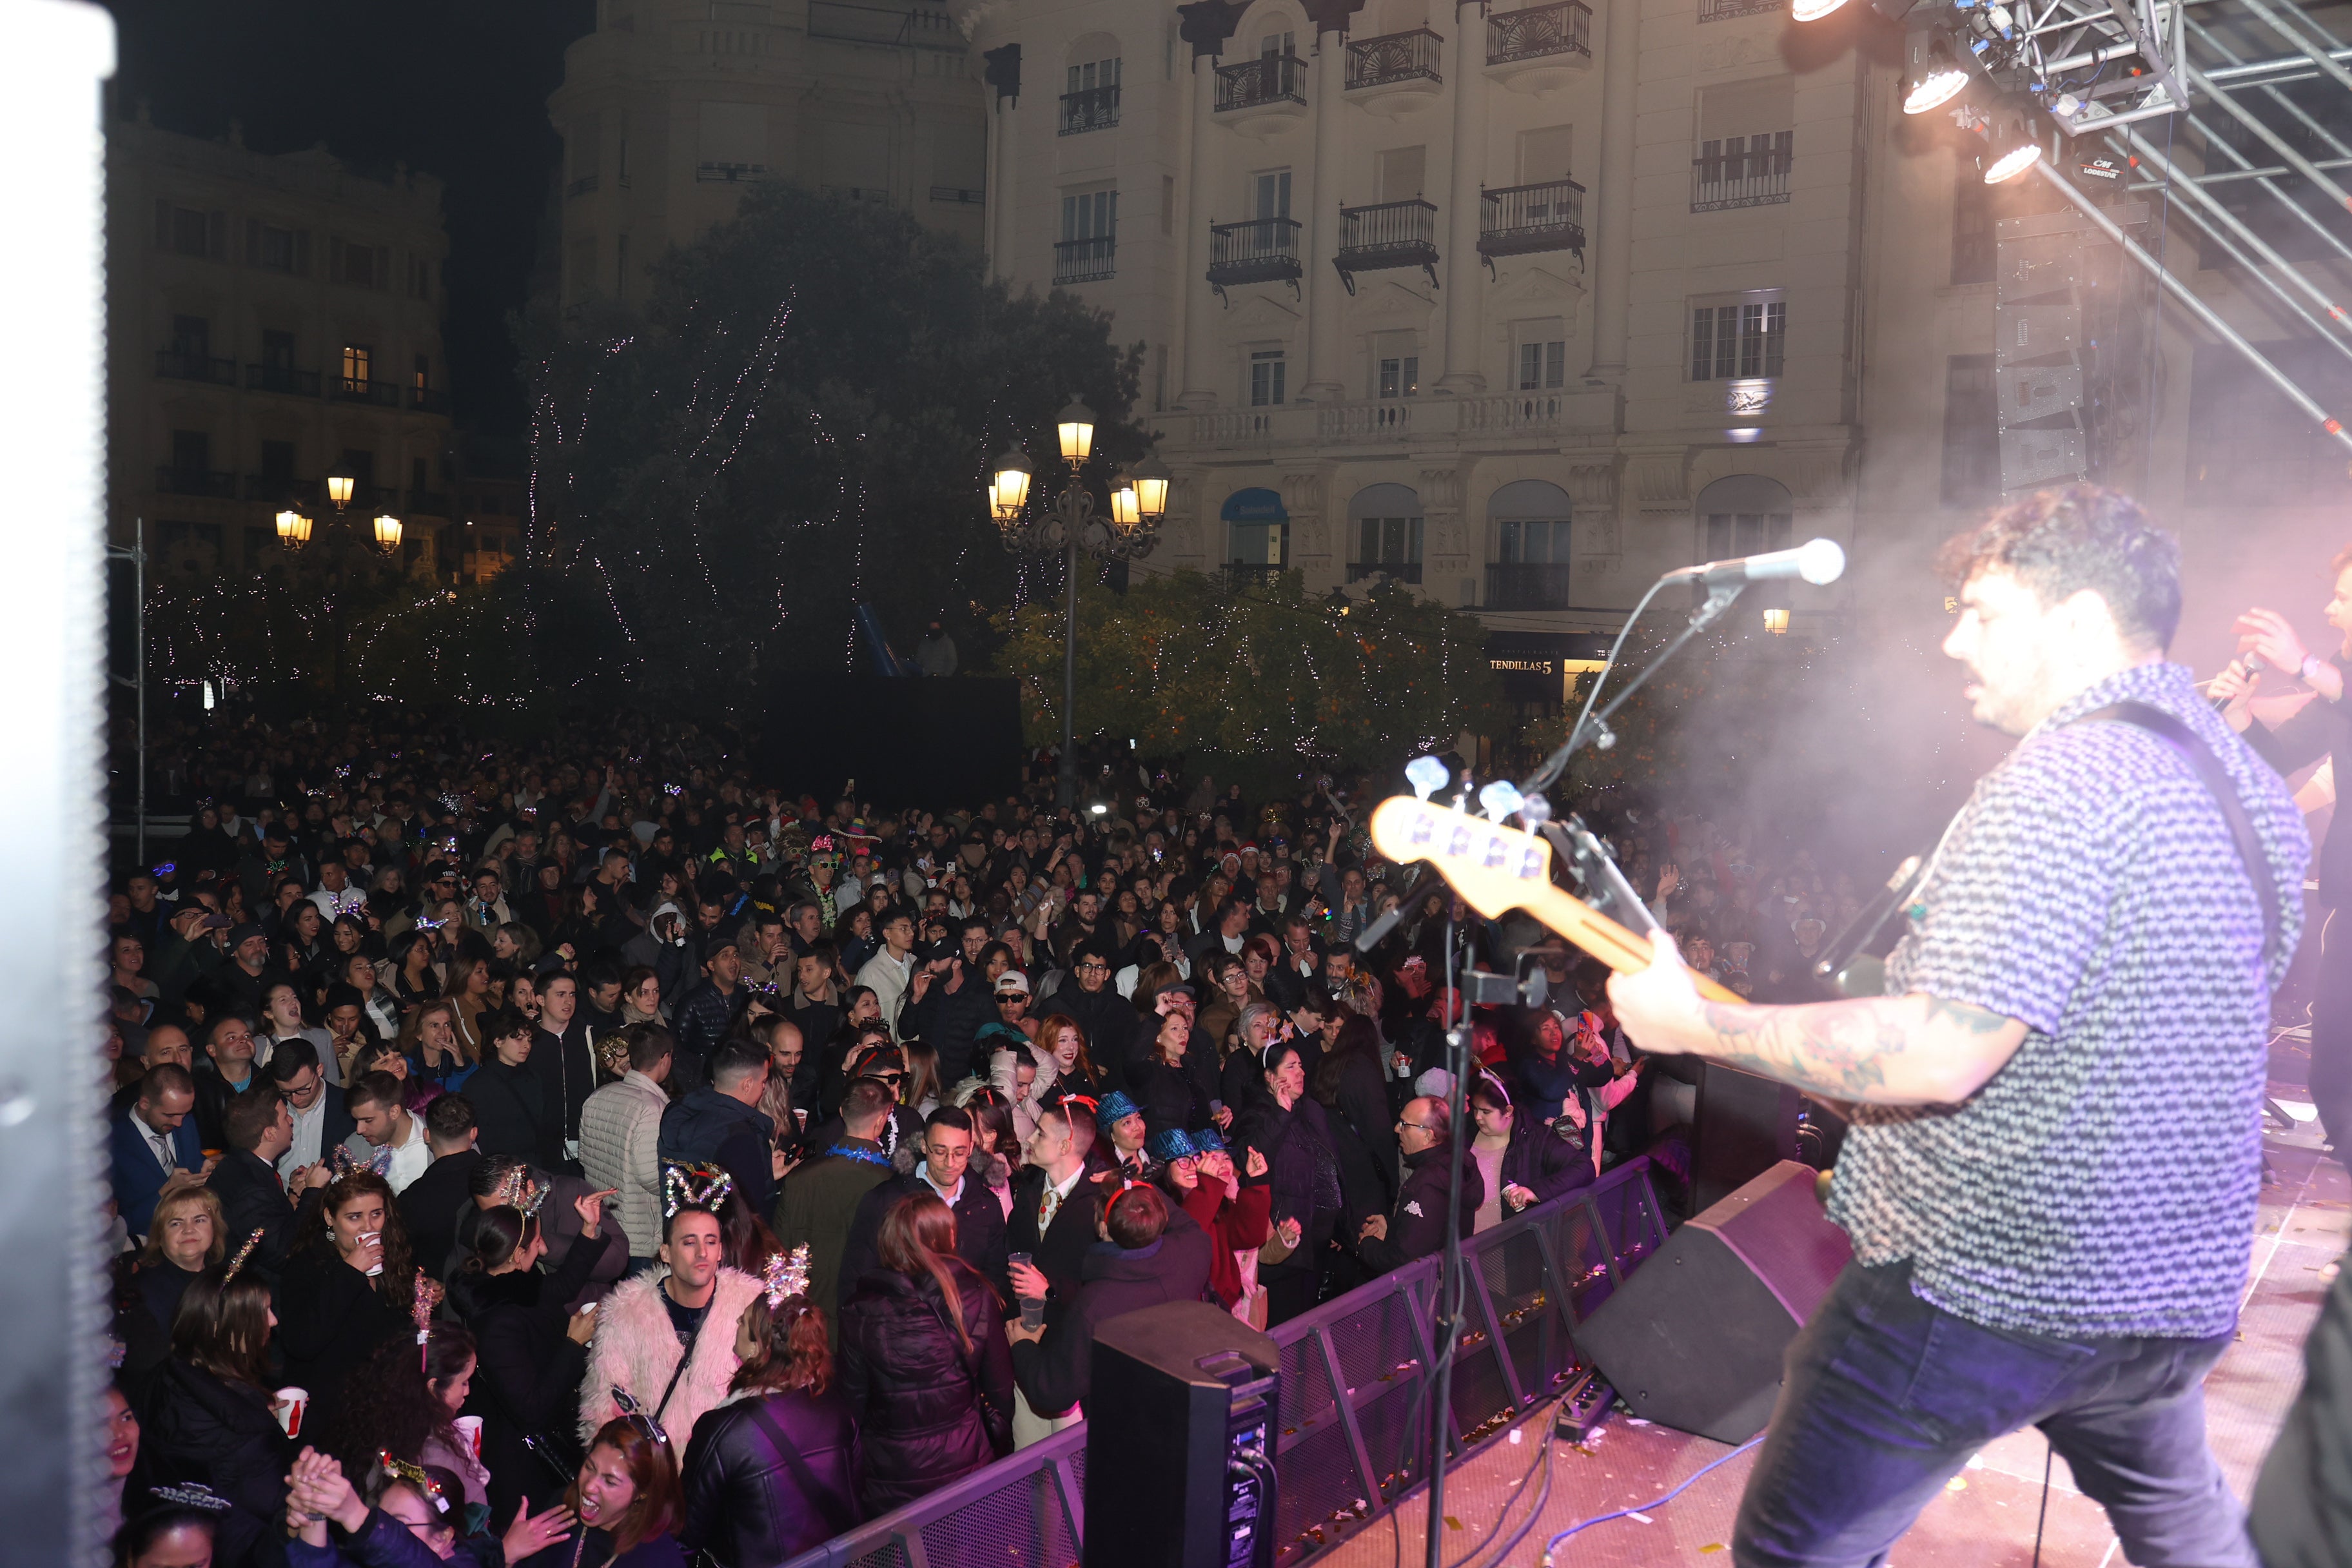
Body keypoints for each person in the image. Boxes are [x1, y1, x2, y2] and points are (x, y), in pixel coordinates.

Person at [1606, 487, 2308, 1568]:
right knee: (2190, 1537)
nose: (1950, 639)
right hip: (2167, 1289)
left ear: (2072, 620)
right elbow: (2141, 1031)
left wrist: (1694, 1023)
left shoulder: (2062, 779)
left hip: (1984, 1286)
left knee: (1796, 1552)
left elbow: (1941, 1051)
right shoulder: (2252, 790)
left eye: (1980, 612)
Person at [2214, 542, 2349, 1153]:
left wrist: (2303, 666)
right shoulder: (2335, 696)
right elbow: (2278, 760)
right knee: (2336, 1063)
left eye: (2345, 598)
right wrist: (2241, 717)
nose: (2330, 609)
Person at [836, 1193, 1013, 1513]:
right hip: (967, 1464)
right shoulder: (976, 1296)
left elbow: (852, 1407)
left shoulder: (859, 1310)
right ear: (948, 1238)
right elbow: (1001, 1392)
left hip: (891, 1476)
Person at [677, 1264, 863, 1565]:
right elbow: (856, 1496)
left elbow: (685, 1534)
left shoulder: (722, 1431)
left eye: (745, 1321)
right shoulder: (838, 1411)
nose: (737, 1320)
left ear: (757, 1347)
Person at [448, 1189, 612, 1524]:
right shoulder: (497, 1323)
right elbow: (530, 1409)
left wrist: (589, 1229)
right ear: (518, 1255)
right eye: (537, 1242)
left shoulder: (513, 1286)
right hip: (522, 1463)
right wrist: (572, 1343)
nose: (543, 1248)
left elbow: (562, 1287)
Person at [1005, 1184, 1211, 1418]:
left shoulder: (1096, 1304)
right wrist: (1140, 1184)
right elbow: (1187, 1224)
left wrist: (1023, 1345)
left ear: (1103, 1228)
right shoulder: (1193, 1252)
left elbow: (1055, 1391)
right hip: (1183, 1407)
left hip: (1124, 1426)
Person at [135, 1266, 291, 1568]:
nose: (274, 1321)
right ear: (225, 1327)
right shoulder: (248, 1433)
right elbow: (277, 1513)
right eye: (263, 1312)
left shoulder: (165, 1376)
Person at [580, 1204, 763, 1455]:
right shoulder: (626, 1313)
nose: (702, 1253)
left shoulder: (751, 1306)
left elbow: (773, 1390)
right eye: (689, 1243)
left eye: (711, 1242)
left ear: (721, 1251)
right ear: (666, 1253)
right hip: (655, 1471)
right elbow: (602, 1408)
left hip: (724, 1466)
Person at [277, 1171, 422, 1436]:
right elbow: (302, 1342)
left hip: (380, 1408)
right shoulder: (308, 1263)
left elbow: (395, 1331)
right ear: (330, 1218)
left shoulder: (392, 1255)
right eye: (354, 1217)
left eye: (376, 1214)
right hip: (329, 1414)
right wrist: (350, 1273)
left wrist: (421, 1301)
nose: (368, 1227)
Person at [836, 1107, 1011, 1315]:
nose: (950, 1162)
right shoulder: (887, 1200)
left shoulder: (985, 1205)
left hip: (965, 1334)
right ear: (923, 1146)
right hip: (899, 1333)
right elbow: (857, 1278)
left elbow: (995, 1279)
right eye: (940, 1151)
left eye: (959, 1153)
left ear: (971, 1149)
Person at [1233, 1043, 1344, 1325]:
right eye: (1290, 1067)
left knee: (1307, 1318)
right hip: (1281, 1238)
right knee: (1283, 1322)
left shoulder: (1309, 1109)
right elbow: (1250, 1161)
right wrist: (1281, 1115)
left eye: (1301, 1066)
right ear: (1270, 1077)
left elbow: (1331, 1164)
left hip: (1314, 1232)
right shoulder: (1257, 1113)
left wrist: (1341, 1224)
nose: (1301, 1073)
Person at [771, 1080, 899, 1325]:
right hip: (863, 1326)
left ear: (842, 1112)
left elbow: (780, 1255)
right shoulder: (890, 1186)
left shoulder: (800, 1179)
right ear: (882, 1119)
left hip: (805, 1322)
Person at [515, 1418, 687, 1567]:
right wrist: (507, 1556)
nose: (589, 1487)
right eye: (590, 1467)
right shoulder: (562, 1508)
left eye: (610, 1481)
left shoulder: (660, 1560)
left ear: (642, 1493)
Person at [113, 1186, 228, 1398]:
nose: (189, 1229)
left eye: (200, 1220)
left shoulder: (225, 1279)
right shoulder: (140, 1293)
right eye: (176, 1223)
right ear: (160, 1236)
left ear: (215, 1228)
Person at [209, 1086, 331, 1277]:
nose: (291, 1121)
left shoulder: (239, 1164)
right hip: (257, 1292)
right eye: (285, 1117)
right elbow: (282, 1253)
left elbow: (271, 1222)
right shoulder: (251, 1189)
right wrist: (314, 1191)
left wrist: (292, 1201)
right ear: (270, 1134)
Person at [583, 1026, 676, 1274]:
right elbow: (649, 1176)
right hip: (638, 1233)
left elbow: (585, 1157)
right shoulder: (652, 1108)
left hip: (603, 1223)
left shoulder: (598, 1096)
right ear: (665, 1059)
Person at [659, 1039, 785, 1220]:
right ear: (747, 1084)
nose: (764, 1088)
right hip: (722, 1243)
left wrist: (764, 1170)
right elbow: (750, 1212)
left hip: (679, 1237)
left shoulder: (676, 1115)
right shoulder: (741, 1137)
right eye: (764, 1081)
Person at [1353, 1097, 1480, 1275]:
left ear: (1428, 1136)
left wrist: (1367, 1245)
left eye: (1405, 1124)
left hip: (1429, 1291)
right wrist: (1393, 1227)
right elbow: (1432, 1231)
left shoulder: (1429, 1184)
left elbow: (1405, 1261)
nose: (1397, 1129)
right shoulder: (1455, 1161)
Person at [1004, 1102, 1102, 1311]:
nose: (1030, 1139)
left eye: (1040, 1134)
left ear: (1064, 1147)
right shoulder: (1029, 1184)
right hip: (1022, 1319)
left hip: (1069, 1327)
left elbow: (1103, 1283)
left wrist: (1051, 1292)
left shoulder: (1099, 1203)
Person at [1465, 1075, 1589, 1233]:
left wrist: (1535, 1191)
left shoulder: (1535, 1138)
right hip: (1466, 1239)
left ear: (1508, 1111)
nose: (1478, 1117)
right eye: (1475, 1109)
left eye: (1486, 1111)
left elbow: (1583, 1167)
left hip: (1506, 1244)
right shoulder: (1468, 1130)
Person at [110, 1063, 207, 1242]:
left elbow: (194, 1169)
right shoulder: (111, 1144)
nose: (179, 1123)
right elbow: (116, 1226)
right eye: (170, 1115)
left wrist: (206, 1169)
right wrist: (167, 1190)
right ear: (145, 1103)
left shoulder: (186, 1122)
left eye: (185, 1113)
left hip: (195, 1240)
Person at [397, 1095, 484, 1281]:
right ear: (474, 1133)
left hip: (441, 1297)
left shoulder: (411, 1199)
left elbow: (403, 1260)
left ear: (426, 1135)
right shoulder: (498, 1177)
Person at [529, 971, 600, 1168]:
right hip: (543, 1146)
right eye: (560, 995)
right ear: (540, 999)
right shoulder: (527, 1040)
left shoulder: (588, 1035)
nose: (568, 1001)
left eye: (572, 994)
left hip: (587, 1140)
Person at [464, 1010, 551, 1168]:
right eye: (519, 1039)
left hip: (538, 1165)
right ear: (498, 1041)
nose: (527, 1045)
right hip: (502, 1170)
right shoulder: (478, 1084)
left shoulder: (534, 1076)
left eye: (529, 1039)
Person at [270, 1043, 356, 1187]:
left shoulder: (348, 1107)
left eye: (303, 1089)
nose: (295, 1099)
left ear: (319, 1070)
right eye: (286, 1092)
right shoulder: (267, 1106)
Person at [346, 1073, 433, 1194]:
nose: (360, 1130)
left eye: (368, 1120)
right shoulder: (353, 1146)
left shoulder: (440, 1137)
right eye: (357, 1120)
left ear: (394, 1112)